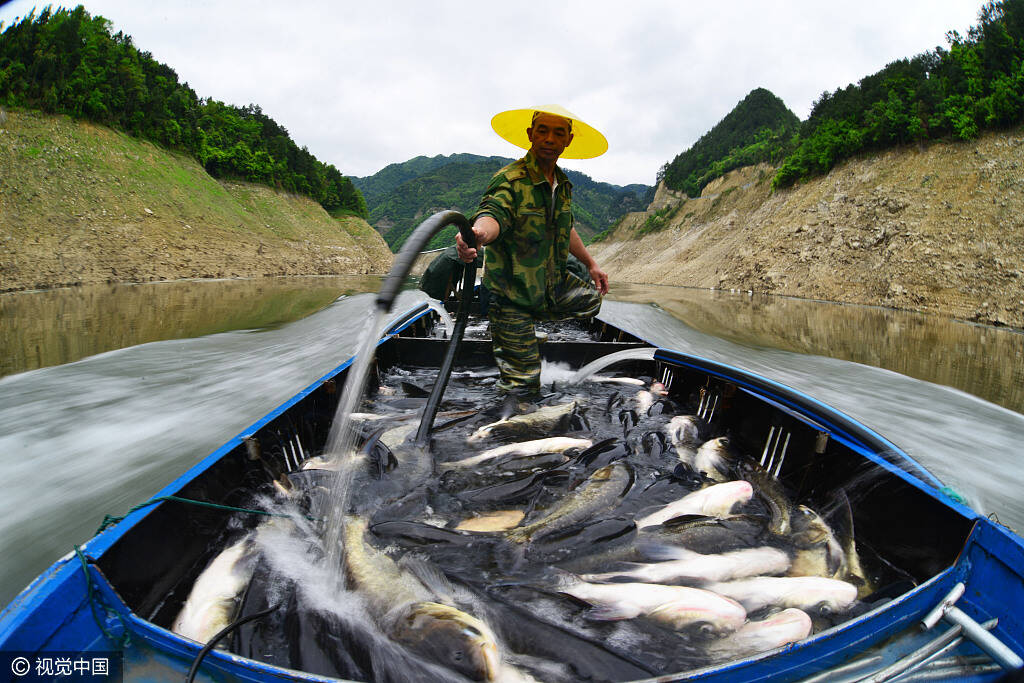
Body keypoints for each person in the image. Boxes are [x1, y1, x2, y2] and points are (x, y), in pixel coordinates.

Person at [456, 104, 610, 394]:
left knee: (592, 301)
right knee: (523, 387)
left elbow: (566, 227)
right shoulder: (510, 179)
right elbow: (493, 214)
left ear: (568, 140)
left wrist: (591, 264)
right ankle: (513, 331)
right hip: (511, 294)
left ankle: (524, 328)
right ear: (531, 134)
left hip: (549, 286)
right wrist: (478, 235)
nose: (550, 139)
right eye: (543, 131)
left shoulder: (561, 184)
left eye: (558, 133)